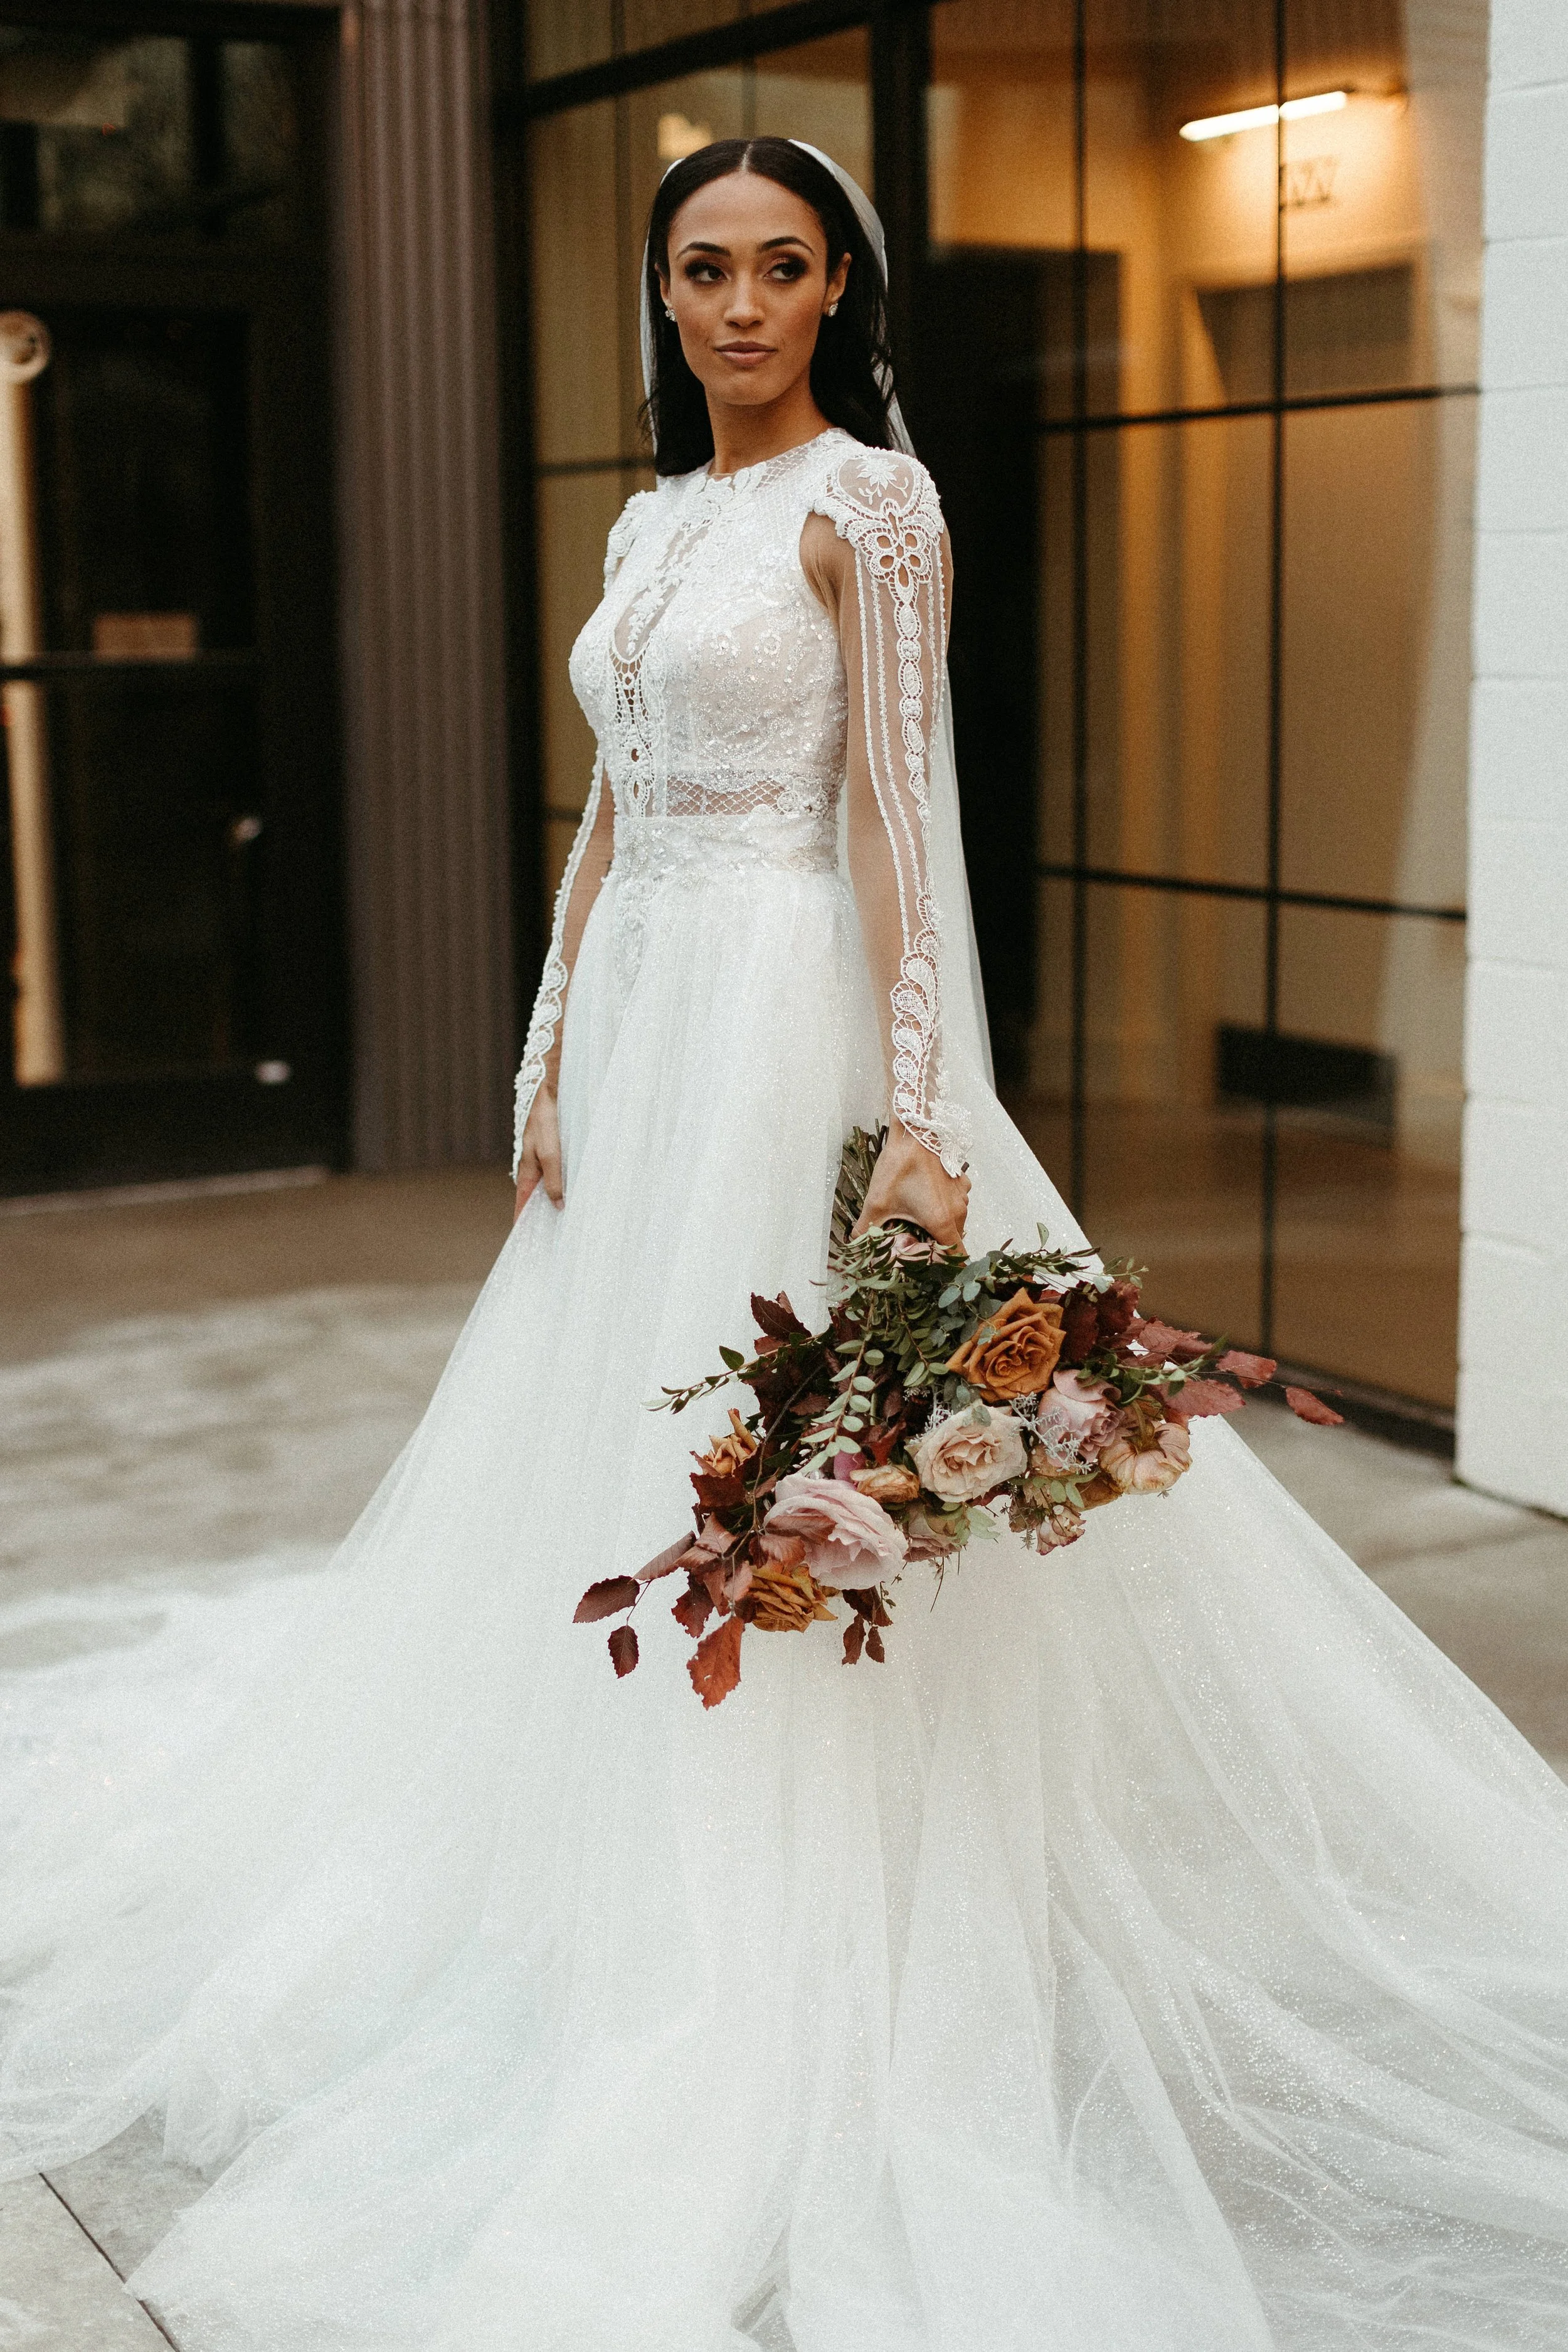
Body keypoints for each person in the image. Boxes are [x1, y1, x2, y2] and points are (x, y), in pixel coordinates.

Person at [3, 135, 1568, 2352]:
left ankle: (778, 1921)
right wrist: (546, 1046)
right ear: (660, 297)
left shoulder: (873, 501)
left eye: (780, 269)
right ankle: (582, 1862)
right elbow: (613, 801)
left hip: (782, 1019)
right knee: (602, 1441)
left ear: (839, 290)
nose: (738, 306)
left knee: (762, 1458)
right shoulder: (654, 519)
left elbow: (898, 819)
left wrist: (922, 1113)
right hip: (644, 1019)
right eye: (700, 272)